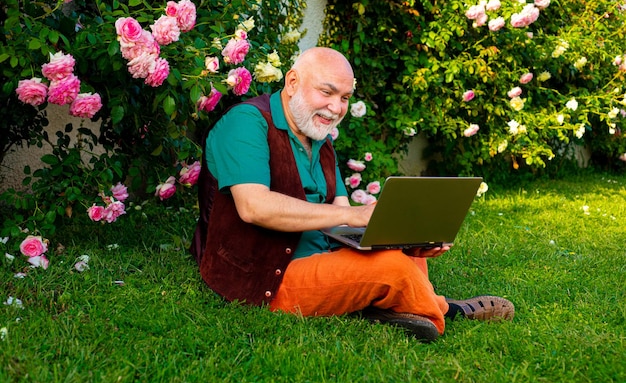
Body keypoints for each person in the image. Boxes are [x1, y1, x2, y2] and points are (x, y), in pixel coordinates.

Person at [190, 47, 514, 342]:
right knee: (392, 268)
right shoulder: (246, 123)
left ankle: (391, 303)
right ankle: (442, 309)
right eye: (327, 92)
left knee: (404, 253)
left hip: (322, 256)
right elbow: (254, 206)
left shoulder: (319, 137)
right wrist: (352, 215)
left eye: (345, 98)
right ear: (291, 82)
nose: (336, 108)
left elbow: (340, 216)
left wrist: (404, 236)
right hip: (267, 273)